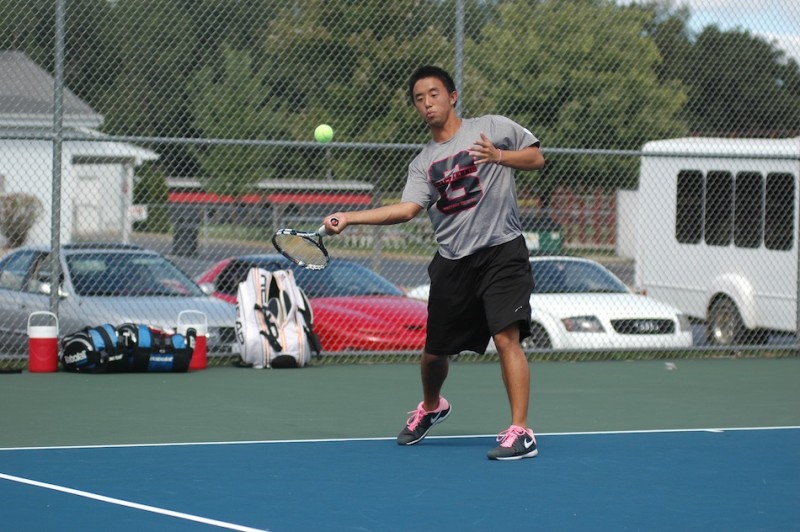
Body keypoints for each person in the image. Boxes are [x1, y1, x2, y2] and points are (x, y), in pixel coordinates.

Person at [323, 65, 545, 460]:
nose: (427, 103)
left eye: (434, 94)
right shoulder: (423, 161)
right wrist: (351, 217)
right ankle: (431, 406)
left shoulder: (491, 127)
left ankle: (521, 431)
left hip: (502, 251)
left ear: (453, 95)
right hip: (452, 262)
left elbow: (536, 157)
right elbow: (407, 210)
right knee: (433, 352)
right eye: (419, 99)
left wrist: (499, 156)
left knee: (506, 337)